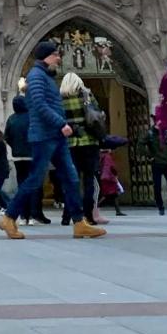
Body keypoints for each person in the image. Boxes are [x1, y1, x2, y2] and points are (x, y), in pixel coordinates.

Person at [0, 41, 105, 241]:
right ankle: (9, 217)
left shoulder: (45, 77)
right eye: (56, 54)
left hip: (55, 137)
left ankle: (79, 222)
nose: (59, 58)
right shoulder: (37, 76)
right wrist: (60, 123)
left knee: (71, 178)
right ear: (46, 56)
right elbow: (38, 105)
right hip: (45, 136)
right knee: (35, 178)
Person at [60, 71, 102, 226]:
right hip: (89, 141)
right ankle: (89, 215)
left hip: (70, 143)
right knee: (89, 180)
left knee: (72, 180)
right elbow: (97, 115)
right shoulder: (86, 95)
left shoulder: (60, 99)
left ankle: (67, 215)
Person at [5, 92, 48, 225]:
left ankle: (24, 215)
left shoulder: (11, 119)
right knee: (35, 185)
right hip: (32, 155)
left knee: (22, 185)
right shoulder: (32, 118)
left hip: (18, 157)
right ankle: (35, 214)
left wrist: (15, 148)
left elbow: (7, 137)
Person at [146, 115, 167, 215]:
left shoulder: (166, 133)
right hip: (156, 164)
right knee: (157, 186)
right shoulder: (150, 134)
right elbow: (140, 146)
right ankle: (160, 206)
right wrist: (150, 156)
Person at [98, 149, 125, 216]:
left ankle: (118, 211)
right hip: (109, 178)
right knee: (110, 194)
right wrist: (115, 174)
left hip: (103, 177)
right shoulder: (108, 157)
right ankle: (95, 207)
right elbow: (112, 167)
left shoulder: (101, 157)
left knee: (112, 194)